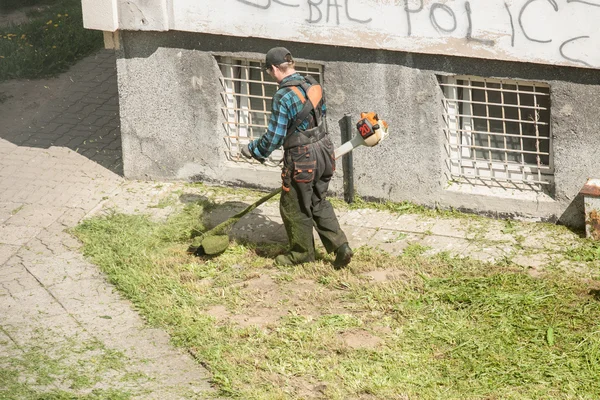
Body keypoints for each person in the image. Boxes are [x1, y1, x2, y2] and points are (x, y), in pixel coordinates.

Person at [241, 47, 353, 268]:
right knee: (317, 201)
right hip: (324, 150)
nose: (270, 76)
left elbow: (274, 137)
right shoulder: (312, 84)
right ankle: (341, 246)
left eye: (268, 72)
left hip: (303, 157)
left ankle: (301, 254)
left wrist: (253, 149)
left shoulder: (283, 96)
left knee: (294, 205)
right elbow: (323, 114)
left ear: (274, 68)